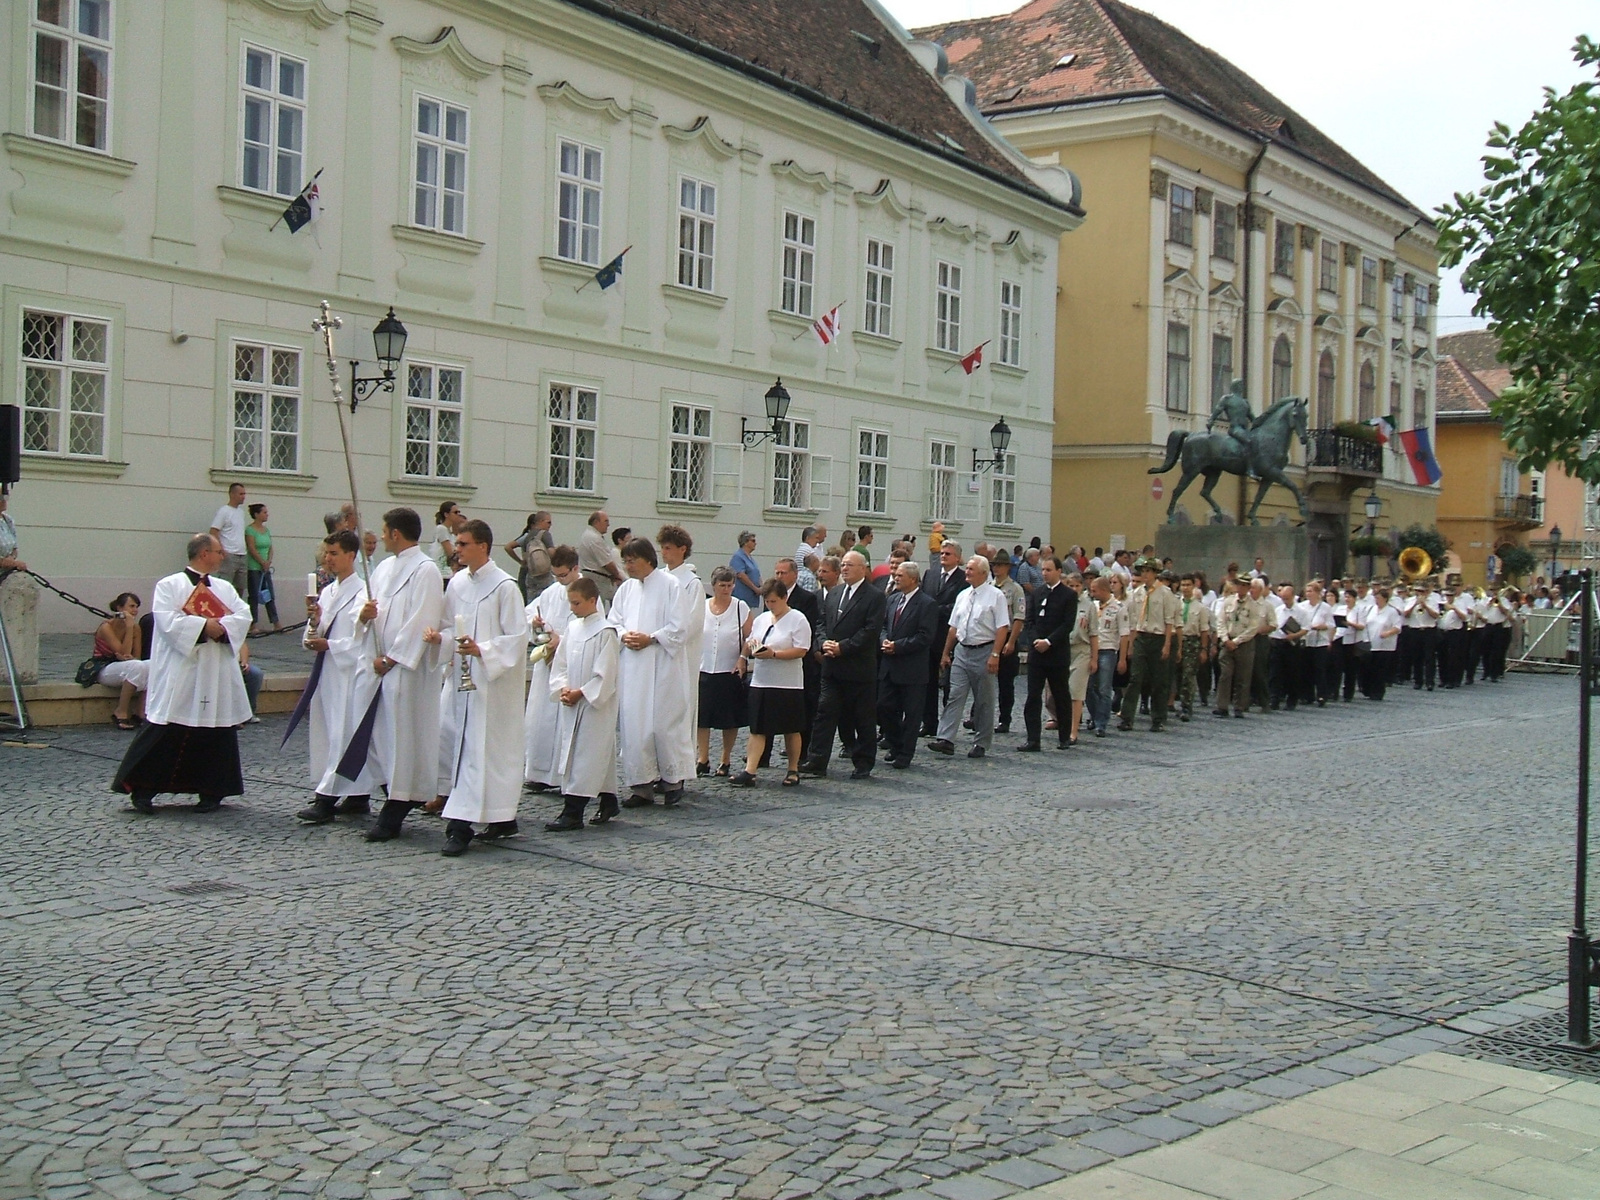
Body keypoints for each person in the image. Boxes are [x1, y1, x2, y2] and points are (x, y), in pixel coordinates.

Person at [112, 533, 253, 813]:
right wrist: (204, 627)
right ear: (203, 553)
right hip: (183, 668)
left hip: (214, 669)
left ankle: (212, 790)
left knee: (215, 731)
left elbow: (242, 614)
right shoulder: (169, 585)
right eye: (218, 551)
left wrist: (223, 628)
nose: (222, 555)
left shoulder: (224, 587)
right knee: (167, 728)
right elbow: (167, 621)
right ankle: (142, 789)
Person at [427, 519, 528, 857]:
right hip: (460, 682)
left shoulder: (504, 587)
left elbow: (515, 639)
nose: (457, 550)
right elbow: (446, 627)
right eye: (457, 544)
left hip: (492, 688)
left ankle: (463, 825)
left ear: (483, 546)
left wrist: (482, 649)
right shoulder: (456, 584)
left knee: (486, 751)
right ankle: (491, 817)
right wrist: (438, 640)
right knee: (455, 742)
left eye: (463, 544)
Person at [359, 508, 447, 844]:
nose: (380, 537)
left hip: (404, 671)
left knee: (403, 739)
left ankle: (397, 806)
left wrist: (394, 657)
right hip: (379, 666)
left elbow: (422, 619)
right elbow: (371, 608)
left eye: (383, 532)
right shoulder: (382, 568)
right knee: (381, 740)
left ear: (396, 533)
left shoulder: (424, 570)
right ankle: (393, 794)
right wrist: (364, 615)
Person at [293, 530, 379, 824]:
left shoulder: (363, 591)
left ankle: (326, 799)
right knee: (330, 732)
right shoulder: (328, 592)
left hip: (350, 673)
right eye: (326, 553)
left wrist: (332, 645)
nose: (327, 559)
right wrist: (313, 624)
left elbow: (363, 637)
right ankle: (357, 796)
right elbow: (314, 633)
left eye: (334, 554)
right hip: (328, 672)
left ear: (351, 556)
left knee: (345, 732)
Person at [609, 537, 694, 808]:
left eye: (632, 560)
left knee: (662, 725)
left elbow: (679, 627)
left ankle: (673, 780)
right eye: (625, 560)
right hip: (633, 668)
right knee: (635, 728)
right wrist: (624, 635)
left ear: (647, 559)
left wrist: (652, 638)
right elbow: (614, 621)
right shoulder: (626, 590)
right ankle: (641, 786)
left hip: (662, 665)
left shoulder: (671, 585)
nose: (628, 565)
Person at [800, 550, 886, 779]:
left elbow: (870, 630)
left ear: (863, 568)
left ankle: (863, 762)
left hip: (858, 669)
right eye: (844, 564)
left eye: (850, 565)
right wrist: (822, 643)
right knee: (824, 714)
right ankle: (817, 760)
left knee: (862, 718)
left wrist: (843, 647)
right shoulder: (834, 593)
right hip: (832, 668)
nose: (845, 568)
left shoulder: (874, 596)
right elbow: (820, 622)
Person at [544, 578, 622, 830]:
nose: (572, 608)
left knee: (586, 754)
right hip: (573, 701)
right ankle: (608, 799)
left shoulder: (606, 632)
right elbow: (561, 664)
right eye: (570, 602)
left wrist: (583, 692)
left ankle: (573, 811)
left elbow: (606, 673)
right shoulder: (573, 630)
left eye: (576, 603)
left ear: (592, 601)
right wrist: (563, 688)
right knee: (595, 754)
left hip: (594, 705)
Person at [929, 556, 1011, 759]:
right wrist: (946, 652)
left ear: (983, 573)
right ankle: (945, 739)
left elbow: (1002, 627)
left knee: (984, 699)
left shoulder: (996, 596)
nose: (967, 571)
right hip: (962, 650)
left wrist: (995, 654)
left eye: (971, 569)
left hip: (984, 650)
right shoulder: (963, 595)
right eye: (967, 568)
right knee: (955, 694)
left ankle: (981, 742)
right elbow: (953, 626)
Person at [734, 579, 812, 787]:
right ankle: (750, 770)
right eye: (767, 602)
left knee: (790, 728)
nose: (770, 605)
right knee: (757, 728)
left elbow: (802, 650)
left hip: (788, 683)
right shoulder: (762, 619)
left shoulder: (798, 619)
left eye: (774, 601)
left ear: (784, 598)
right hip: (762, 680)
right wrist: (744, 656)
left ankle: (793, 769)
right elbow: (750, 640)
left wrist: (774, 654)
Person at [524, 546, 585, 794]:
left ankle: (562, 776)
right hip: (547, 664)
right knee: (541, 718)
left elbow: (589, 626)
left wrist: (562, 641)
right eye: (556, 575)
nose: (560, 581)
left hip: (570, 664)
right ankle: (539, 772)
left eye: (563, 575)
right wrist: (535, 622)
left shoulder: (586, 590)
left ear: (575, 569)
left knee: (563, 722)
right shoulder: (551, 592)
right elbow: (531, 611)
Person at [876, 560, 938, 769]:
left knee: (912, 714)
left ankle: (905, 752)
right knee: (883, 706)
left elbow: (925, 636)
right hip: (889, 666)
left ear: (913, 579)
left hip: (912, 668)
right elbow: (883, 625)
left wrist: (898, 646)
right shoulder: (892, 600)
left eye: (900, 576)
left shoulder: (927, 604)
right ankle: (895, 742)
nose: (896, 578)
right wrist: (884, 641)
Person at [660, 525, 708, 771]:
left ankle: (679, 768)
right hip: (657, 654)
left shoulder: (691, 584)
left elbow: (692, 624)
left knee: (680, 709)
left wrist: (665, 638)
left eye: (668, 548)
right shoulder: (658, 578)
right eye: (662, 548)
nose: (663, 553)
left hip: (680, 655)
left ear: (682, 550)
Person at [1018, 555, 1076, 752]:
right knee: (1033, 696)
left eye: (1049, 570)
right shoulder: (1037, 593)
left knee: (1060, 695)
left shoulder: (1068, 595)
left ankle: (1064, 737)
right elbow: (1030, 620)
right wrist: (1036, 640)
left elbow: (1067, 624)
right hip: (1037, 653)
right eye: (1043, 570)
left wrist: (1049, 642)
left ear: (1059, 571)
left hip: (1057, 653)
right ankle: (1033, 739)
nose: (1045, 574)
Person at [697, 566, 751, 778]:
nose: (727, 589)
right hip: (704, 667)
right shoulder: (702, 607)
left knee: (729, 718)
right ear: (714, 586)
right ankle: (703, 758)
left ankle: (725, 758)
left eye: (730, 585)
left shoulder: (741, 607)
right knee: (702, 717)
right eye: (722, 585)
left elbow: (750, 637)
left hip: (729, 670)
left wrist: (742, 658)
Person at [1119, 561, 1180, 732]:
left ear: (1155, 573)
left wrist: (1167, 644)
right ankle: (1127, 717)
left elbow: (1169, 621)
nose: (1145, 575)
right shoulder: (1136, 594)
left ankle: (1158, 718)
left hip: (1158, 637)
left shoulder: (1165, 593)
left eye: (1148, 571)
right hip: (1141, 637)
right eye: (1143, 571)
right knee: (1135, 678)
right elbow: (1133, 621)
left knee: (1159, 680)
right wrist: (1131, 644)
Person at [772, 557, 822, 763]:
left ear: (794, 575)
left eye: (783, 573)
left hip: (800, 662)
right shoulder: (772, 596)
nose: (779, 576)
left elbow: (807, 630)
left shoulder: (807, 598)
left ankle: (801, 752)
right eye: (777, 573)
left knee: (802, 709)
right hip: (774, 663)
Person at [922, 541, 968, 735]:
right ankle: (929, 723)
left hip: (950, 636)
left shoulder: (963, 579)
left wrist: (933, 610)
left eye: (948, 554)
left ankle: (947, 728)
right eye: (941, 553)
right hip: (929, 637)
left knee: (949, 685)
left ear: (957, 557)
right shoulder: (930, 574)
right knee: (928, 684)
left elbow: (958, 608)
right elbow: (923, 599)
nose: (943, 556)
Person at [93, 592, 148, 729]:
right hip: (104, 667)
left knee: (151, 665)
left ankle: (140, 712)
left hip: (124, 666)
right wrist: (129, 627)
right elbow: (123, 651)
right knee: (135, 666)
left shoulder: (136, 628)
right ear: (119, 608)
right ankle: (121, 711)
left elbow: (135, 656)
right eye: (131, 606)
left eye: (136, 606)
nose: (134, 610)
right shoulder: (106, 627)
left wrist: (129, 658)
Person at [1212, 576, 1262, 719]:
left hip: (1244, 643)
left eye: (1245, 586)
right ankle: (1222, 706)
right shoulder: (1228, 602)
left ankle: (1239, 706)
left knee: (1243, 676)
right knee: (1225, 674)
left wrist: (1237, 641)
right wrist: (1226, 639)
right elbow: (1220, 621)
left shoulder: (1253, 605)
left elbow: (1253, 628)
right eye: (1239, 585)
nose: (1241, 588)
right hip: (1227, 641)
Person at [990, 553, 1027, 735]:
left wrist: (1011, 642)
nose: (996, 568)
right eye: (994, 565)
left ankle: (1005, 718)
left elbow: (1019, 617)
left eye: (1000, 565)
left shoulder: (1015, 589)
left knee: (1005, 682)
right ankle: (978, 717)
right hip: (989, 636)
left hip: (1007, 635)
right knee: (983, 680)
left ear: (1008, 567)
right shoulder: (988, 586)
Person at [1086, 576, 1124, 738]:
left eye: (1094, 590)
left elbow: (1124, 635)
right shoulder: (1092, 606)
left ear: (1103, 590)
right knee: (1088, 687)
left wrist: (1122, 658)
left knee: (1104, 688)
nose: (1092, 593)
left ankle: (1101, 723)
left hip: (1108, 651)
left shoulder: (1118, 608)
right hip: (1091, 650)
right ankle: (1095, 716)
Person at [1065, 572, 1097, 744]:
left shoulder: (1089, 605)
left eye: (1077, 586)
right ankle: (1063, 724)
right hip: (1064, 650)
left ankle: (1073, 731)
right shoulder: (1063, 602)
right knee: (1062, 691)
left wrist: (1094, 658)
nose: (1074, 589)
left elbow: (1093, 634)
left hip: (1082, 650)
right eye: (1071, 586)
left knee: (1076, 691)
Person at [1173, 573, 1211, 721]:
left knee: (1188, 675)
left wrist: (1203, 649)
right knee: (1177, 673)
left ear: (1193, 586)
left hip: (1192, 641)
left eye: (1188, 585)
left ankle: (1186, 706)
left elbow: (1204, 630)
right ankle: (1173, 702)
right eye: (1183, 585)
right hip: (1178, 639)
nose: (1185, 588)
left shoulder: (1200, 608)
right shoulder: (1176, 604)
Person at [207, 482, 250, 598]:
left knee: (240, 588)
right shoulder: (224, 511)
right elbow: (213, 531)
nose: (243, 496)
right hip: (229, 554)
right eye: (241, 494)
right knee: (225, 586)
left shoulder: (241, 512)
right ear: (232, 494)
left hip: (242, 554)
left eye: (244, 494)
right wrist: (221, 550)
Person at [244, 503, 281, 632]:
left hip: (265, 568)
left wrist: (268, 561)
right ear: (256, 514)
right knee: (254, 595)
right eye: (264, 512)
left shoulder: (266, 530)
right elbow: (252, 548)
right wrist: (261, 562)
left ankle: (276, 622)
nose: (267, 514)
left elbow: (270, 547)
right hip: (254, 567)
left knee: (269, 594)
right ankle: (252, 624)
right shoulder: (250, 530)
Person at [508, 511, 554, 601]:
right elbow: (552, 552)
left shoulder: (527, 536)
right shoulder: (545, 534)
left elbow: (509, 547)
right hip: (544, 575)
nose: (550, 525)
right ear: (541, 521)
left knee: (530, 606)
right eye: (548, 522)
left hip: (530, 575)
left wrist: (520, 561)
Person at [1365, 585, 1401, 699]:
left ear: (1385, 599)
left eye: (1379, 598)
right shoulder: (1371, 609)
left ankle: (1378, 692)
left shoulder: (1392, 611)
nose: (1376, 600)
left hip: (1385, 645)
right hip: (1371, 642)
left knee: (1380, 669)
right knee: (1370, 668)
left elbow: (1397, 627)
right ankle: (1369, 690)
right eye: (1375, 598)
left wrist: (1388, 633)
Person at [578, 509, 622, 602]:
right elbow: (607, 563)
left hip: (593, 576)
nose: (608, 525)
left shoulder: (588, 535)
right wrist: (618, 575)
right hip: (597, 579)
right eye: (606, 521)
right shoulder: (595, 538)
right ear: (596, 522)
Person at [432, 501, 465, 582]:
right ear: (446, 514)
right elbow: (450, 553)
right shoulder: (441, 529)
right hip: (442, 572)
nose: (458, 515)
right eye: (455, 512)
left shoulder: (449, 532)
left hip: (448, 572)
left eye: (459, 512)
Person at [730, 531, 761, 608]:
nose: (755, 543)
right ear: (745, 542)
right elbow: (740, 575)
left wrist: (762, 587)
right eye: (753, 541)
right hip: (743, 596)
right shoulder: (738, 557)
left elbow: (756, 573)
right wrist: (755, 589)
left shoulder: (750, 558)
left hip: (752, 597)